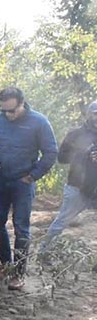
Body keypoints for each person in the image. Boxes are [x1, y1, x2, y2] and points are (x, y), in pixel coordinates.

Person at [0, 87, 58, 290]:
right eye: (4, 111)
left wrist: (33, 175)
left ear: (22, 103)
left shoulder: (39, 122)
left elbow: (50, 152)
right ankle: (5, 265)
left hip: (23, 183)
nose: (7, 115)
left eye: (11, 110)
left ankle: (18, 272)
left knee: (21, 228)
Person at [41, 101, 97, 247]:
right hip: (77, 188)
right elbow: (61, 158)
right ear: (88, 114)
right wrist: (83, 153)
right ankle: (43, 253)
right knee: (61, 222)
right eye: (95, 114)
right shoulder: (75, 134)